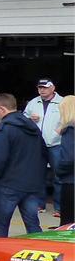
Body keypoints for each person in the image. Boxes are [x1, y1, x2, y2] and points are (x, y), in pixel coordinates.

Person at [0, 93, 48, 237]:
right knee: (33, 223)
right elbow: (44, 153)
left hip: (10, 183)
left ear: (2, 109)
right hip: (31, 183)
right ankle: (40, 251)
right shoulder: (32, 128)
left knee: (1, 224)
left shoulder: (5, 128)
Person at [25, 79, 65, 208]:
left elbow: (70, 119)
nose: (42, 90)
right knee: (38, 176)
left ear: (52, 88)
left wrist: (60, 131)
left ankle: (59, 207)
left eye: (45, 87)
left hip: (56, 144)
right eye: (39, 88)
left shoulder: (63, 102)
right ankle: (39, 204)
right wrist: (29, 119)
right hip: (37, 145)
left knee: (59, 176)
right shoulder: (33, 102)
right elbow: (23, 119)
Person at [55, 96, 75, 227]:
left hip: (71, 182)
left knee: (68, 225)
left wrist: (58, 171)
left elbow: (68, 158)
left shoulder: (70, 130)